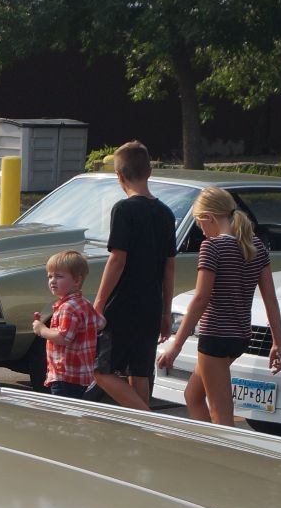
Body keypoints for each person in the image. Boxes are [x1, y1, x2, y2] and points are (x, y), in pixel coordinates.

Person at [156, 186, 281, 425]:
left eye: (199, 224)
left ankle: (223, 457)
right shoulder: (255, 246)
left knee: (221, 413)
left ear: (209, 218)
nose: (202, 232)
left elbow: (200, 299)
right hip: (240, 337)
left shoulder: (212, 247)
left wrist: (175, 347)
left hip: (215, 336)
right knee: (192, 396)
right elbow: (271, 299)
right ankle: (206, 448)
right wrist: (278, 342)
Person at [90, 141, 176, 409]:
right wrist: (165, 311)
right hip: (151, 304)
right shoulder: (166, 213)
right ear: (149, 171)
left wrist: (100, 302)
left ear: (119, 176)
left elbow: (117, 259)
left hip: (124, 305)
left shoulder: (124, 210)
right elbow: (169, 267)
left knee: (100, 370)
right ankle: (140, 432)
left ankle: (147, 417)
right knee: (139, 372)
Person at [30, 249, 102, 399]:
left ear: (76, 280)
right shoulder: (85, 304)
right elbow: (101, 322)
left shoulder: (68, 308)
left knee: (63, 415)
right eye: (50, 276)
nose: (52, 281)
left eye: (59, 276)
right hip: (81, 374)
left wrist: (42, 329)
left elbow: (63, 337)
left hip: (65, 375)